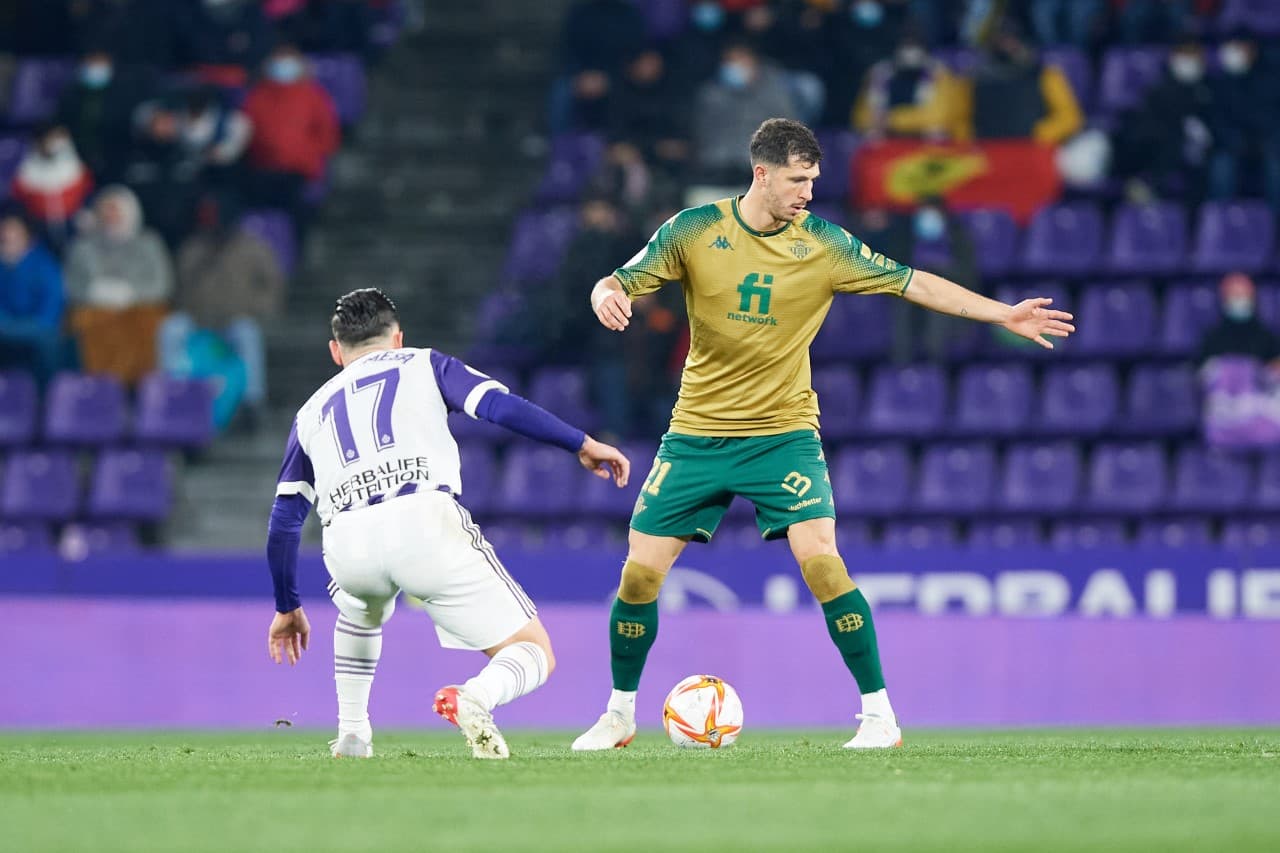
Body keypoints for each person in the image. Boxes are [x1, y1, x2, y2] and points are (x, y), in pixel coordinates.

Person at [573, 118, 1074, 751]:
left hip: (783, 435)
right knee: (639, 577)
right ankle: (619, 714)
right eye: (798, 180)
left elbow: (913, 282)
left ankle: (879, 716)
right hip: (696, 434)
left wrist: (1003, 311)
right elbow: (622, 277)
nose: (808, 192)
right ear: (762, 174)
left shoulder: (824, 244)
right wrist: (604, 291)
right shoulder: (695, 230)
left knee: (821, 562)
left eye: (813, 179)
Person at [264, 288, 631, 760]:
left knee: (360, 609)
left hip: (346, 538)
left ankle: (353, 731)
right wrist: (579, 442)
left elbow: (284, 520)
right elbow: (499, 406)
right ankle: (476, 697)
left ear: (336, 351)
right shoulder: (424, 363)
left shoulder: (309, 412)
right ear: (398, 338)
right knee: (534, 651)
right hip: (422, 522)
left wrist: (287, 605)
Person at [163, 192, 285, 427]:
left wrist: (254, 308)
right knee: (171, 329)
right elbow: (178, 286)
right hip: (198, 320)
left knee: (247, 333)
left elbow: (272, 285)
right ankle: (173, 393)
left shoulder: (253, 247)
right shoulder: (193, 247)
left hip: (235, 320)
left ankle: (252, 401)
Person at [63, 186, 173, 385]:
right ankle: (101, 388)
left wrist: (129, 293)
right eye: (107, 211)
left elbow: (162, 284)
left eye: (117, 211)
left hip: (139, 307)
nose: (112, 216)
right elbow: (71, 285)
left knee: (147, 323)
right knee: (86, 321)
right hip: (96, 308)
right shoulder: (83, 246)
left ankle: (141, 389)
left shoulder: (149, 243)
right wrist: (95, 292)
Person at [240, 44, 341, 240]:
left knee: (297, 210)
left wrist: (305, 154)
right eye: (278, 59)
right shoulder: (257, 96)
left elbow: (328, 136)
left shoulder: (313, 96)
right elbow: (246, 132)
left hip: (298, 172)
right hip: (261, 169)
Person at [1112, 38, 1213, 205]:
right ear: (1174, 58)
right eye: (1184, 56)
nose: (1188, 62)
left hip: (1198, 151)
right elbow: (1148, 123)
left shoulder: (1207, 90)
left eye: (1193, 56)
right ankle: (1146, 185)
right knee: (1170, 139)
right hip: (1157, 146)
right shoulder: (1159, 88)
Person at [692, 41, 801, 183]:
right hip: (717, 170)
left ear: (753, 62)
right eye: (729, 61)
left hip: (764, 170)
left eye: (739, 60)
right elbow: (703, 135)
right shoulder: (711, 94)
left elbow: (789, 132)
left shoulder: (776, 93)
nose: (733, 66)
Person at [1208, 31, 1280, 212]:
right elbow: (1216, 118)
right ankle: (1220, 223)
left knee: (1276, 166)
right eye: (1231, 47)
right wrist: (1232, 139)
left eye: (1239, 47)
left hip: (1267, 143)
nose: (1233, 52)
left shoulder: (1272, 78)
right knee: (1221, 166)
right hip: (1233, 143)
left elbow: (1273, 117)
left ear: (1253, 50)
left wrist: (1267, 139)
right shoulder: (1221, 81)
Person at [0, 209, 65, 384]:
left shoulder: (45, 264)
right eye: (4, 232)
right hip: (6, 327)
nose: (7, 237)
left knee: (47, 341)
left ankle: (45, 399)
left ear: (26, 235)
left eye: (13, 232)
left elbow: (50, 312)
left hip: (39, 328)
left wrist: (15, 327)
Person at [852, 31, 957, 140]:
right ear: (896, 49)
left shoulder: (938, 74)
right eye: (906, 46)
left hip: (920, 136)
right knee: (871, 136)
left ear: (924, 49)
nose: (910, 52)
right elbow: (861, 117)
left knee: (936, 132)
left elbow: (938, 117)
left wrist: (893, 120)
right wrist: (880, 123)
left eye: (914, 46)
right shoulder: (879, 74)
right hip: (887, 136)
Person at [10, 122, 95, 249]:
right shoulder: (24, 177)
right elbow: (19, 207)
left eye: (61, 138)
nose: (57, 144)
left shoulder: (79, 171)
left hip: (76, 237)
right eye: (52, 138)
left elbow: (90, 198)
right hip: (39, 239)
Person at [1198, 272, 1280, 366]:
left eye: (1243, 294)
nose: (1239, 299)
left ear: (1253, 297)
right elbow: (1199, 368)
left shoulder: (1268, 338)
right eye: (1234, 294)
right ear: (1223, 298)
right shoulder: (1211, 338)